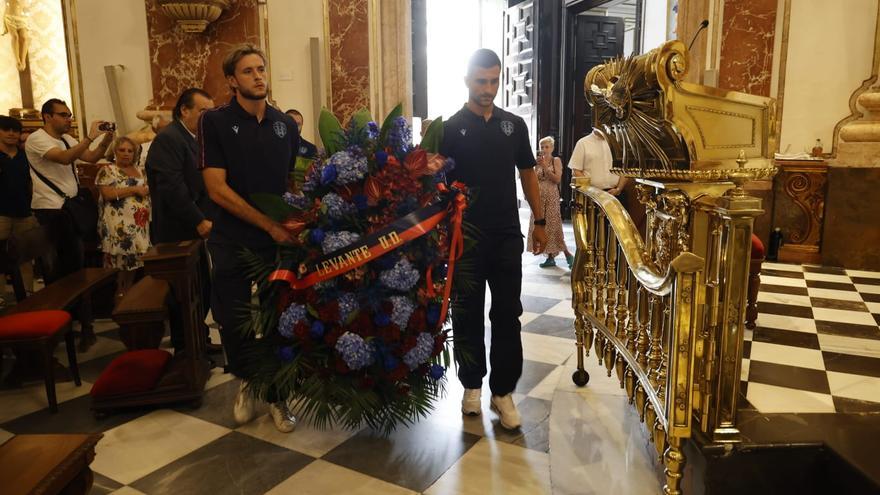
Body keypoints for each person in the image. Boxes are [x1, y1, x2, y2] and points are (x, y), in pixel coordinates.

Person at [440, 48, 546, 430]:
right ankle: (471, 386)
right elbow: (436, 183)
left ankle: (502, 392)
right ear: (467, 80)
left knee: (507, 312)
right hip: (464, 238)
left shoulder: (514, 125)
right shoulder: (450, 128)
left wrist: (541, 219)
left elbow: (528, 173)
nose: (488, 88)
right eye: (481, 81)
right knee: (466, 311)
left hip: (505, 235)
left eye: (494, 81)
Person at [201, 44, 300, 433]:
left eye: (261, 68)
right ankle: (245, 380)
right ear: (231, 80)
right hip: (232, 238)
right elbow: (215, 188)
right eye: (247, 71)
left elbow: (291, 183)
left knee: (279, 319)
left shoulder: (284, 125)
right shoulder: (215, 121)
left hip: (276, 244)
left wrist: (293, 223)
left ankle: (278, 396)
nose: (258, 76)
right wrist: (267, 224)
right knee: (234, 318)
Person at [145, 88, 219, 354]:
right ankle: (186, 348)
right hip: (178, 232)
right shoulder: (169, 139)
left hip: (193, 229)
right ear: (184, 111)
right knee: (183, 294)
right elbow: (172, 188)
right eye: (203, 111)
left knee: (200, 288)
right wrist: (199, 220)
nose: (207, 117)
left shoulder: (193, 138)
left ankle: (197, 339)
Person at [25, 99, 113, 281]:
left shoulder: (66, 138)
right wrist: (89, 138)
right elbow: (64, 158)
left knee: (75, 263)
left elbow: (91, 157)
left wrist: (107, 139)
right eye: (63, 115)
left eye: (69, 115)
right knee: (58, 267)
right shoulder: (36, 139)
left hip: (69, 208)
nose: (68, 119)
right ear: (47, 116)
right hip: (50, 209)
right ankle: (59, 305)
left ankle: (76, 306)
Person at [95, 137, 150, 299]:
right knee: (120, 265)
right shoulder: (108, 170)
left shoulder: (141, 170)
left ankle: (128, 297)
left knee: (134, 264)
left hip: (139, 225)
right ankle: (119, 298)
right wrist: (133, 189)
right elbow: (107, 194)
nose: (126, 154)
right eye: (122, 150)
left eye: (130, 151)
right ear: (114, 152)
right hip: (118, 225)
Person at [0, 115, 39, 306]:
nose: (11, 134)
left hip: (24, 212)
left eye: (15, 130)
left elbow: (32, 184)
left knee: (25, 256)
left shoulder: (26, 156)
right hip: (0, 214)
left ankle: (27, 295)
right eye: (6, 129)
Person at [529, 136, 573, 269]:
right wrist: (536, 166)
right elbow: (534, 180)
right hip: (539, 198)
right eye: (542, 147)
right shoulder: (537, 162)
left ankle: (568, 255)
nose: (544, 149)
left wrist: (545, 167)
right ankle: (549, 257)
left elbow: (557, 179)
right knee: (542, 226)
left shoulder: (556, 160)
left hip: (552, 197)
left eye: (547, 147)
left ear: (552, 148)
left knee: (554, 226)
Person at [567, 128, 628, 197]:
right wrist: (592, 191)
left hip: (617, 193)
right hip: (591, 195)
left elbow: (626, 168)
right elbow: (576, 170)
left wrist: (618, 189)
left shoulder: (619, 142)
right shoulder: (582, 143)